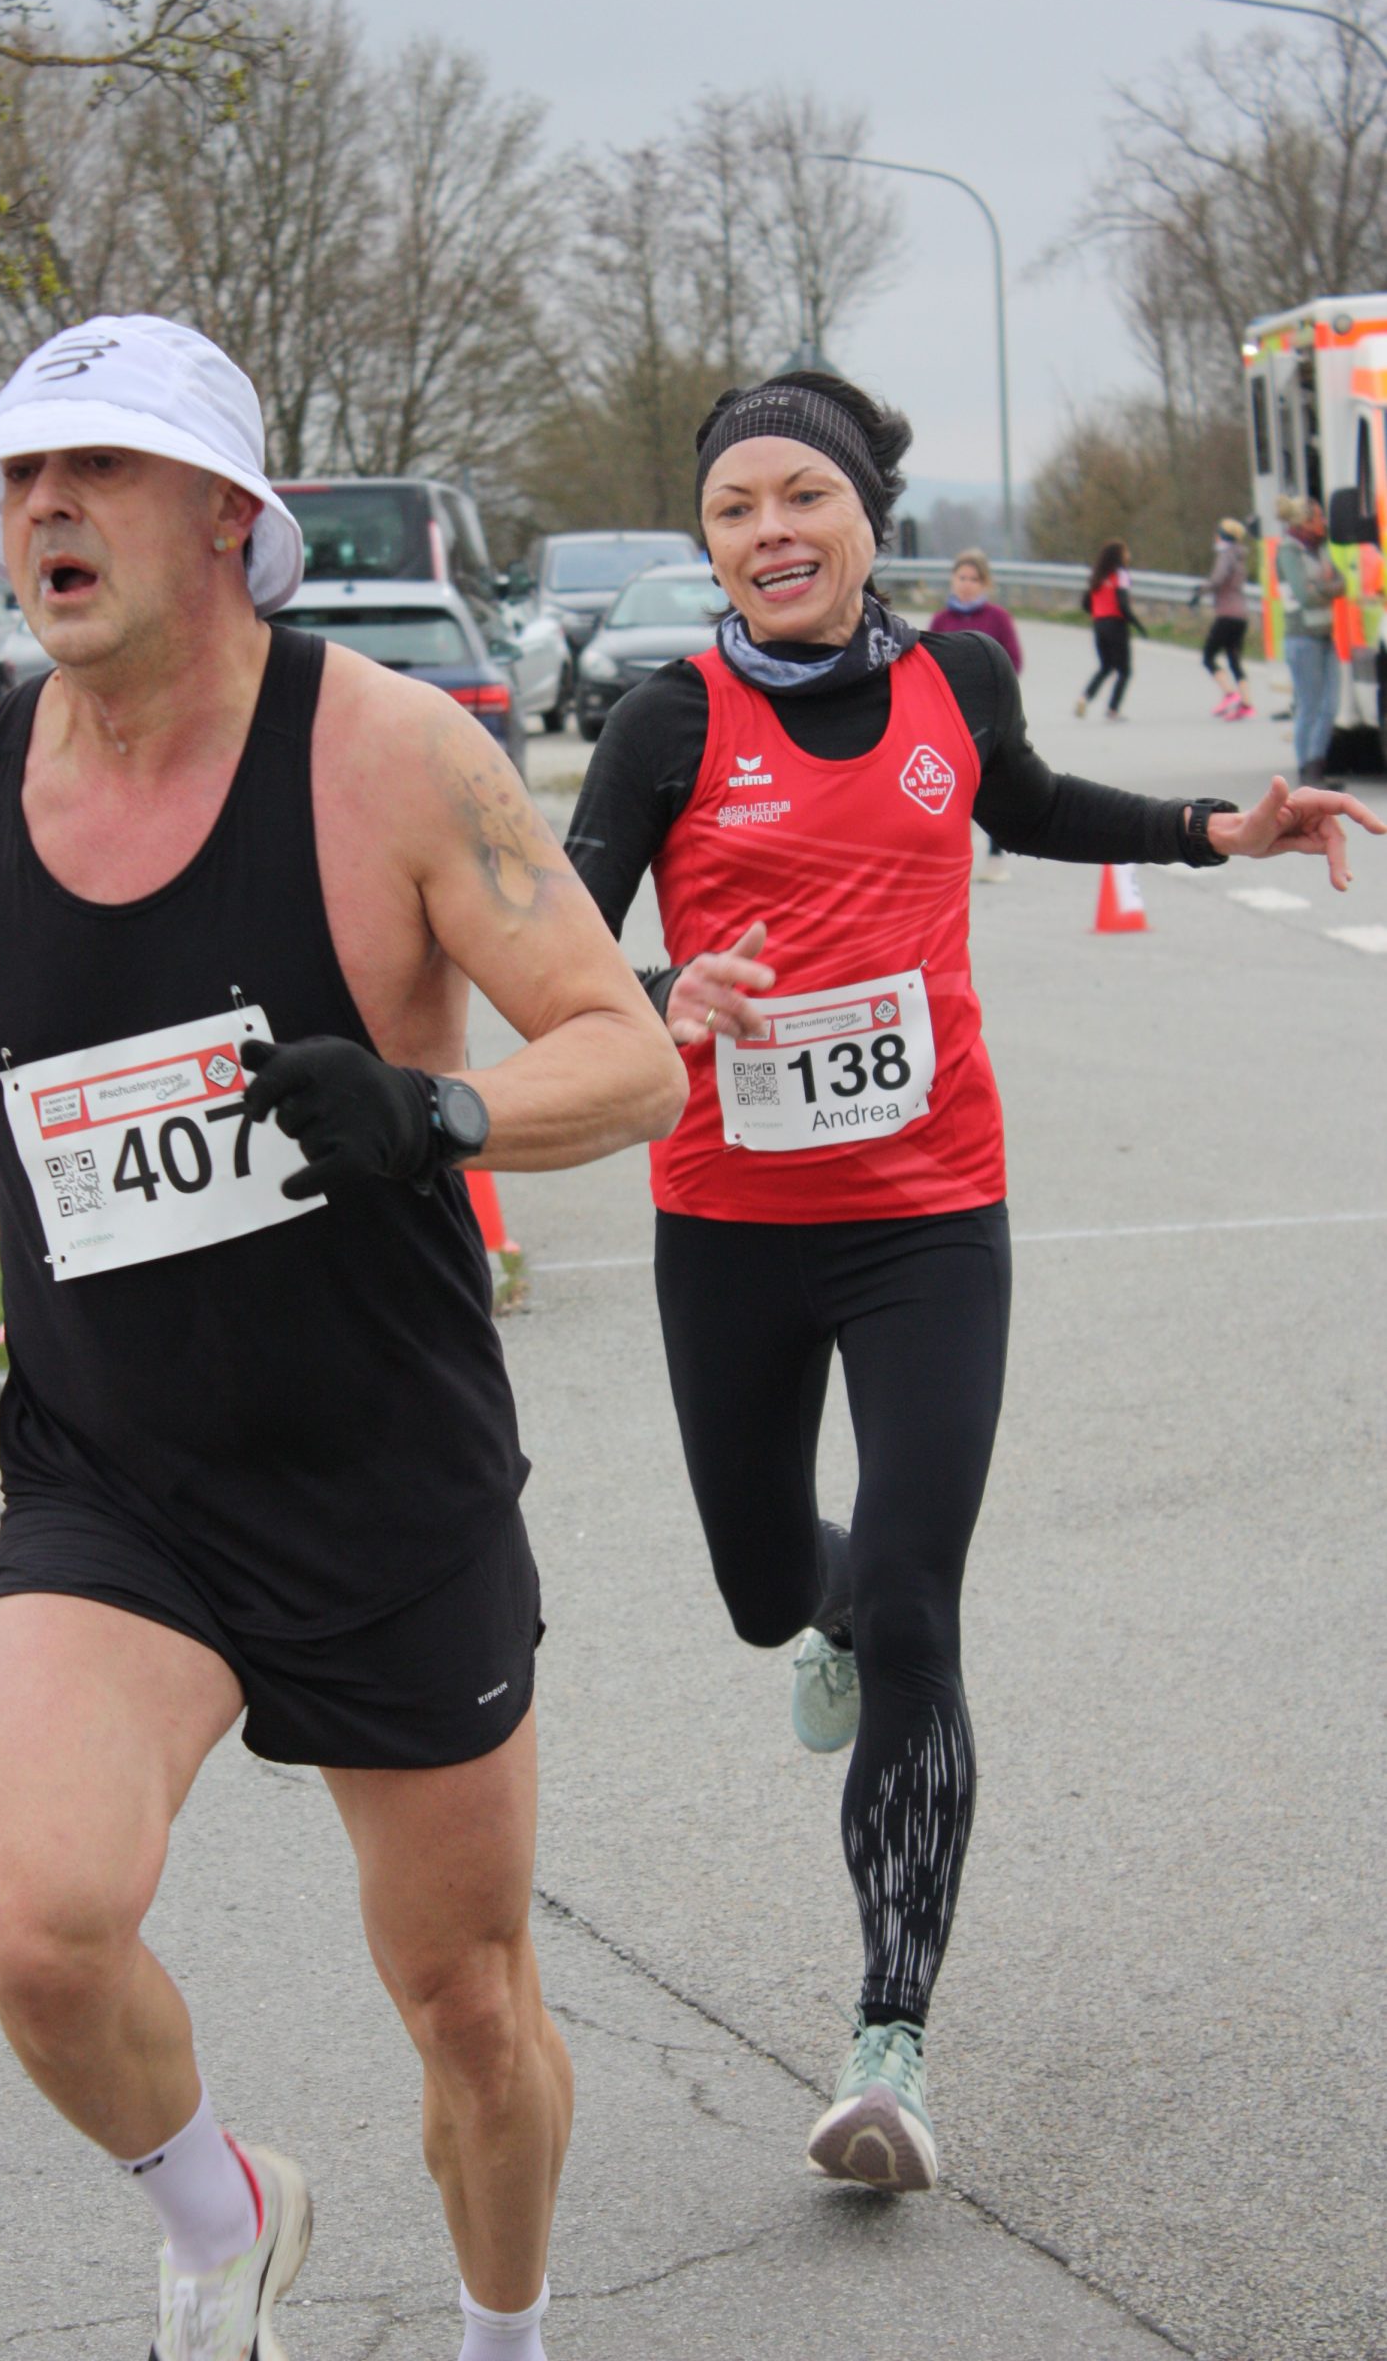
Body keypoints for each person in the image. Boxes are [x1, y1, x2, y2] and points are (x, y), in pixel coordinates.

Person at [0, 315, 686, 2361]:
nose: (45, 509)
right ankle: (221, 2218)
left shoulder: (390, 756)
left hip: (381, 1481)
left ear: (227, 513)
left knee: (466, 2005)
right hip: (115, 1481)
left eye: (98, 471)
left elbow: (629, 1053)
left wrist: (436, 1112)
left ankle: (502, 2331)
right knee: (43, 1936)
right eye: (20, 480)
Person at [563, 366, 1382, 2196]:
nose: (770, 531)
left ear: (867, 518)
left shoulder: (958, 677)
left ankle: (888, 2042)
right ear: (711, 543)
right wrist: (660, 995)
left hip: (930, 1214)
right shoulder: (663, 722)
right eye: (733, 509)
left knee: (921, 1602)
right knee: (768, 1591)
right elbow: (554, 944)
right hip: (727, 1222)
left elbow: (1025, 802)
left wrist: (1213, 831)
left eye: (803, 497)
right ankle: (830, 1608)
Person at [927, 548, 1022, 880]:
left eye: (974, 579)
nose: (966, 584)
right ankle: (955, 861)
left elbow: (1014, 661)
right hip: (950, 717)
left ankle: (996, 856)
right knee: (955, 788)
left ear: (985, 584)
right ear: (953, 580)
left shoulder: (998, 618)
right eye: (962, 577)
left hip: (989, 715)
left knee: (992, 786)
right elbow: (927, 665)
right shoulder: (941, 621)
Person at [1275, 494, 1345, 787]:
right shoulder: (1289, 552)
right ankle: (1307, 770)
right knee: (1309, 705)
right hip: (1302, 638)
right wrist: (1326, 588)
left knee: (1330, 704)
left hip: (1326, 635)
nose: (1323, 522)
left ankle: (1318, 765)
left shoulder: (1321, 549)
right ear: (1305, 522)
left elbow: (1342, 583)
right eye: (1318, 517)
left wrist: (1321, 587)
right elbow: (1304, 596)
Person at [1076, 540, 1147, 720]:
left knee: (1106, 666)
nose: (1129, 555)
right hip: (1116, 625)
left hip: (1099, 625)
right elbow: (1122, 604)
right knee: (1124, 670)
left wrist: (1099, 613)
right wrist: (1137, 624)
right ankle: (1113, 709)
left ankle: (1085, 697)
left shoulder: (1097, 575)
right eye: (1126, 552)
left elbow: (1085, 603)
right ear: (1119, 556)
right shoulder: (1121, 575)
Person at [1192, 517, 1254, 717]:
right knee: (1234, 659)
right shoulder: (1240, 557)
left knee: (1208, 656)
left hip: (1226, 614)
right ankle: (1246, 703)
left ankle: (1230, 694)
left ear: (1223, 536)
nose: (1215, 537)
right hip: (1241, 615)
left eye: (1218, 533)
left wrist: (1201, 590)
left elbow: (1218, 579)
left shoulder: (1225, 555)